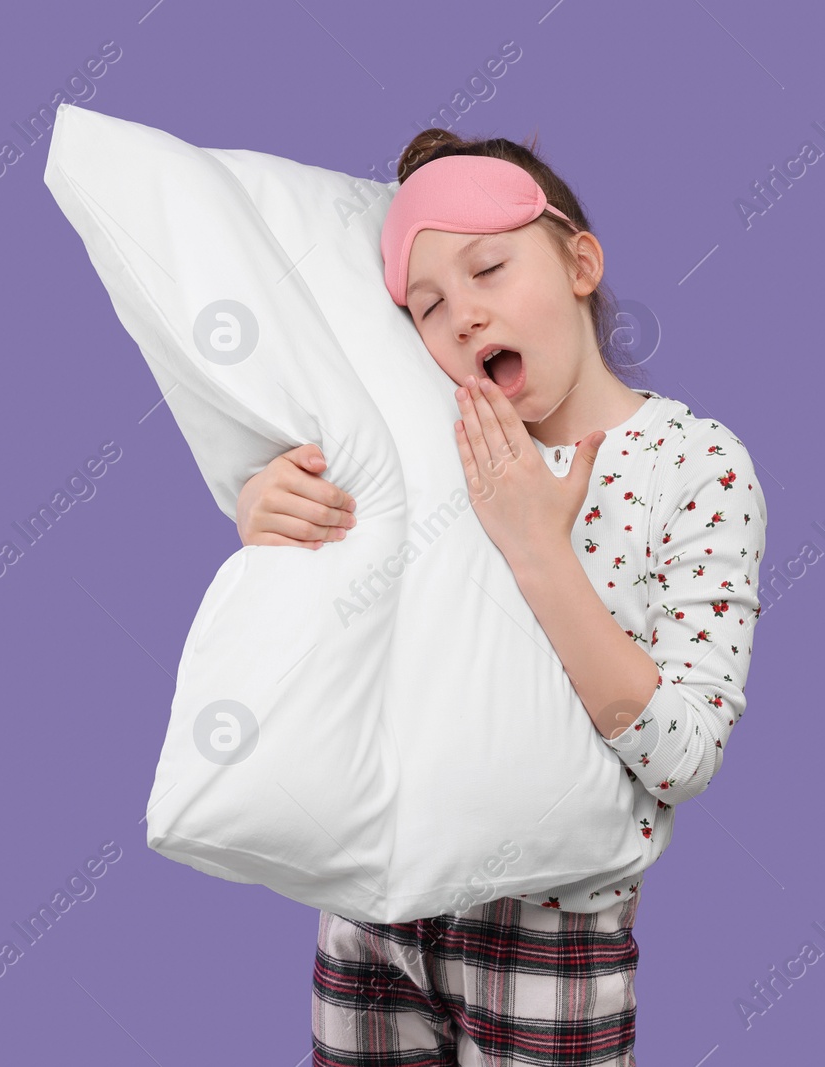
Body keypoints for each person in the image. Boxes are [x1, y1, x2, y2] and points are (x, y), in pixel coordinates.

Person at [235, 127, 768, 1067]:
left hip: (551, 932)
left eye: (490, 269)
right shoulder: (411, 446)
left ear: (580, 262)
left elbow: (684, 754)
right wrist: (267, 510)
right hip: (373, 901)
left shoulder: (695, 465)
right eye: (430, 305)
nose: (465, 318)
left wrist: (536, 546)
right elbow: (331, 632)